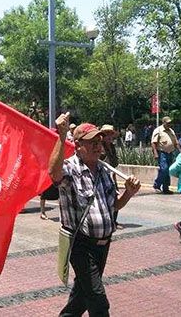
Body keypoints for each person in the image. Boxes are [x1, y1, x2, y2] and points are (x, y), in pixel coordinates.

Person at [49, 115, 141, 316]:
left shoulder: (105, 170)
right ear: (78, 145)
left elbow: (114, 205)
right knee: (98, 300)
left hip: (103, 245)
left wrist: (129, 193)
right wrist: (61, 135)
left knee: (82, 295)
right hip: (80, 245)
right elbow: (54, 173)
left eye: (99, 142)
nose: (98, 147)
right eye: (92, 143)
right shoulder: (70, 168)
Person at [151, 117, 181, 194]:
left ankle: (165, 188)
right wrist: (155, 153)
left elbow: (176, 142)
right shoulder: (158, 130)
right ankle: (157, 185)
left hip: (170, 153)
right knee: (164, 169)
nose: (169, 124)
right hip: (162, 153)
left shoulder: (171, 131)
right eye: (167, 123)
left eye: (170, 123)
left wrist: (180, 151)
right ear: (163, 122)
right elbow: (153, 143)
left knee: (168, 171)